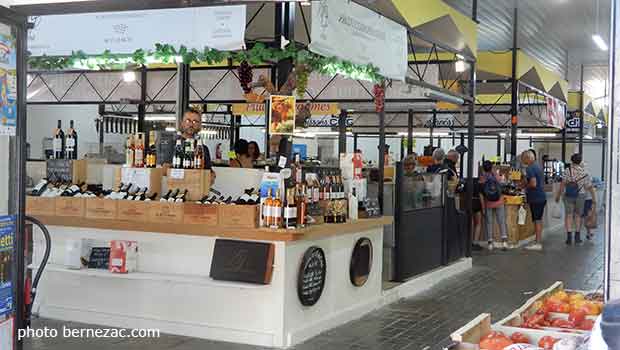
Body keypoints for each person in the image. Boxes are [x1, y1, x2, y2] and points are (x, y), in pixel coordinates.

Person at [555, 153, 596, 245]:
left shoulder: (567, 171)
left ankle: (569, 237)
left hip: (568, 195)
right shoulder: (585, 173)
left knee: (568, 215)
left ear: (571, 161)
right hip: (581, 196)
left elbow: (562, 184)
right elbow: (589, 187)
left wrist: (558, 196)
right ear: (580, 161)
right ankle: (577, 237)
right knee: (578, 215)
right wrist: (594, 198)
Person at [177, 109, 215, 182]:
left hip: (197, 190)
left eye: (195, 121)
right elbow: (165, 170)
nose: (191, 124)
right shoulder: (173, 144)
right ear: (182, 123)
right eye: (188, 121)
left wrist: (212, 175)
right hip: (176, 190)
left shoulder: (204, 149)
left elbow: (208, 171)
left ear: (199, 125)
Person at [479, 160, 508, 251]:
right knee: (501, 221)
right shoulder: (496, 175)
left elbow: (481, 193)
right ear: (491, 167)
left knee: (489, 223)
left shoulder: (482, 178)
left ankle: (490, 243)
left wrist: (483, 207)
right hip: (499, 202)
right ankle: (504, 242)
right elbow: (504, 183)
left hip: (488, 203)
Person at [522, 150, 545, 251]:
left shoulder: (530, 168)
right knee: (538, 220)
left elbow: (533, 184)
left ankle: (538, 243)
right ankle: (538, 241)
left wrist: (524, 186)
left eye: (523, 159)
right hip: (541, 197)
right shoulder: (538, 166)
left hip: (536, 198)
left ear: (528, 158)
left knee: (537, 221)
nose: (523, 161)